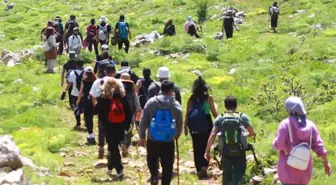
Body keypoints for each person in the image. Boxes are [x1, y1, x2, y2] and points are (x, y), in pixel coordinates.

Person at [272, 97, 332, 185]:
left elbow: (279, 145)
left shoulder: (285, 124)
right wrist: (326, 163)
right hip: (304, 172)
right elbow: (320, 146)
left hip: (287, 171)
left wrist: (274, 143)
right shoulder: (310, 125)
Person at [204, 96, 256, 185]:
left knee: (226, 174)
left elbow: (213, 135)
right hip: (240, 151)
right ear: (236, 105)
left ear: (225, 105)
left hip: (225, 151)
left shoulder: (220, 118)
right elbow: (252, 133)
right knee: (239, 174)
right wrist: (244, 136)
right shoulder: (242, 117)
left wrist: (207, 151)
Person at [139, 80, 183, 185]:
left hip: (153, 139)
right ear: (171, 91)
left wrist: (142, 136)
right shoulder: (175, 104)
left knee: (151, 158)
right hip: (168, 140)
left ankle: (154, 175)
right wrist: (177, 135)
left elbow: (143, 121)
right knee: (167, 165)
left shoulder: (151, 102)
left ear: (161, 89)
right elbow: (179, 123)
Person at [95, 78, 132, 178]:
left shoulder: (104, 98)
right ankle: (110, 167)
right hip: (121, 126)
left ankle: (120, 170)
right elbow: (129, 113)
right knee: (113, 147)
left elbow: (96, 111)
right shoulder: (122, 97)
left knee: (113, 148)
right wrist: (126, 126)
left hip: (109, 127)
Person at [184, 77, 218, 179]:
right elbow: (213, 113)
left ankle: (199, 169)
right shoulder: (209, 98)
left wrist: (185, 126)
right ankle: (204, 166)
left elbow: (187, 113)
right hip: (206, 125)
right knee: (205, 146)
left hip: (193, 126)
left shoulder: (191, 98)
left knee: (196, 146)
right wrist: (221, 121)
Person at [89, 64, 125, 159]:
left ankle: (101, 148)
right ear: (114, 72)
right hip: (115, 111)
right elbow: (122, 97)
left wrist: (97, 108)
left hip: (102, 110)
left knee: (101, 129)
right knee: (112, 131)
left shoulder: (98, 81)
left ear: (105, 71)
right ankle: (110, 150)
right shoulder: (118, 82)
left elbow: (93, 97)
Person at [119, 73, 140, 157]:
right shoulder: (132, 91)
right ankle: (126, 147)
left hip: (118, 115)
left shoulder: (117, 89)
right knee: (129, 132)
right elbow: (136, 103)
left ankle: (122, 144)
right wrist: (138, 110)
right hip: (129, 115)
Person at [76, 66, 97, 145]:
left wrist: (78, 100)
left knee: (88, 118)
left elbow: (81, 92)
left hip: (87, 101)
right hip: (95, 102)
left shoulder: (84, 81)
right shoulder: (96, 81)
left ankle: (91, 134)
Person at [62, 59, 84, 129]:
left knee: (76, 107)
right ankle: (86, 120)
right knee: (85, 107)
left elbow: (69, 84)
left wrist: (64, 92)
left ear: (76, 65)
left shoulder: (72, 73)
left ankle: (78, 122)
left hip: (75, 93)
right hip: (84, 93)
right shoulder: (86, 73)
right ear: (83, 64)